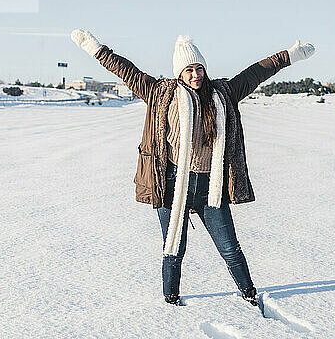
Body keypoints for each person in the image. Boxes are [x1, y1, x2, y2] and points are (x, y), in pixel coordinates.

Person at [70, 30, 315, 306]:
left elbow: (257, 72)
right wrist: (95, 48)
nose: (195, 74)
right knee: (174, 249)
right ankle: (171, 303)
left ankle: (250, 296)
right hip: (174, 186)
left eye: (199, 68)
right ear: (179, 72)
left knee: (230, 249)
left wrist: (290, 56)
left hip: (212, 187)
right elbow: (126, 71)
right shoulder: (161, 93)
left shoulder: (223, 93)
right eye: (189, 69)